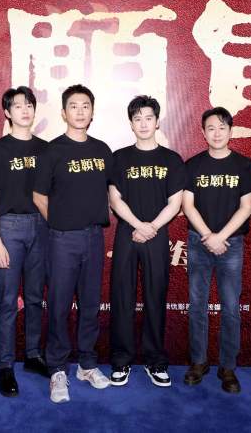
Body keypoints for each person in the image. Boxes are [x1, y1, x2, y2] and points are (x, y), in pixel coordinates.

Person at [33, 84, 113, 403]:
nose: (80, 111)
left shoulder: (102, 150)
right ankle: (57, 369)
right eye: (74, 106)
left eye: (85, 106)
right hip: (62, 239)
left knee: (90, 304)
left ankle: (87, 364)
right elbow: (39, 196)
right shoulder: (52, 151)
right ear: (64, 113)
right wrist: (59, 223)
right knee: (59, 305)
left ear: (92, 112)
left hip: (94, 237)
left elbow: (111, 193)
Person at [108, 95, 185, 388]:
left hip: (157, 234)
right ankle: (121, 360)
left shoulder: (171, 159)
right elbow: (115, 198)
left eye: (148, 118)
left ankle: (156, 361)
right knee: (122, 297)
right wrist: (138, 225)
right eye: (137, 118)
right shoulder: (120, 158)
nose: (143, 124)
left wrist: (151, 227)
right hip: (127, 233)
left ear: (157, 121)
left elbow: (175, 202)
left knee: (155, 296)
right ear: (131, 123)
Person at [182, 107, 251, 393]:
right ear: (203, 132)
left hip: (231, 244)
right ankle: (198, 362)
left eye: (222, 127)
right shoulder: (193, 165)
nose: (216, 133)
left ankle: (228, 367)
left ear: (230, 131)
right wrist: (207, 236)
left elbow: (246, 207)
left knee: (230, 308)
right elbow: (188, 205)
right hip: (198, 242)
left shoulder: (244, 166)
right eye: (211, 128)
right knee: (197, 305)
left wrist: (220, 237)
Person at [0, 86, 49, 397]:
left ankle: (33, 355)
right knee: (8, 300)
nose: (24, 110)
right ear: (7, 112)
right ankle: (5, 365)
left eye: (29, 105)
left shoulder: (46, 149)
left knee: (35, 297)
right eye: (18, 106)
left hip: (41, 228)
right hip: (9, 227)